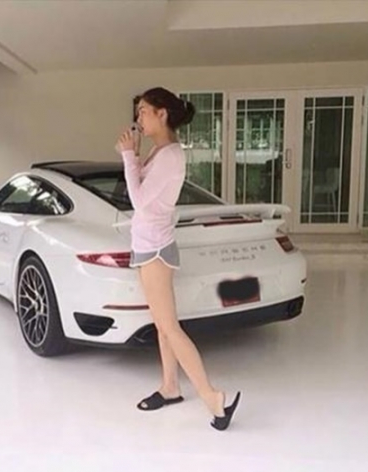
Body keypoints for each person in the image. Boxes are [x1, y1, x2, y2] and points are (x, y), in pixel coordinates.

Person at [115, 87, 241, 431]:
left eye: (144, 111)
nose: (139, 118)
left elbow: (140, 202)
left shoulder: (170, 155)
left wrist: (128, 157)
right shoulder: (159, 151)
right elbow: (144, 195)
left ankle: (213, 398)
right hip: (150, 245)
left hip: (155, 248)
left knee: (170, 327)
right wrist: (135, 156)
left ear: (162, 114)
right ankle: (170, 387)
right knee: (162, 326)